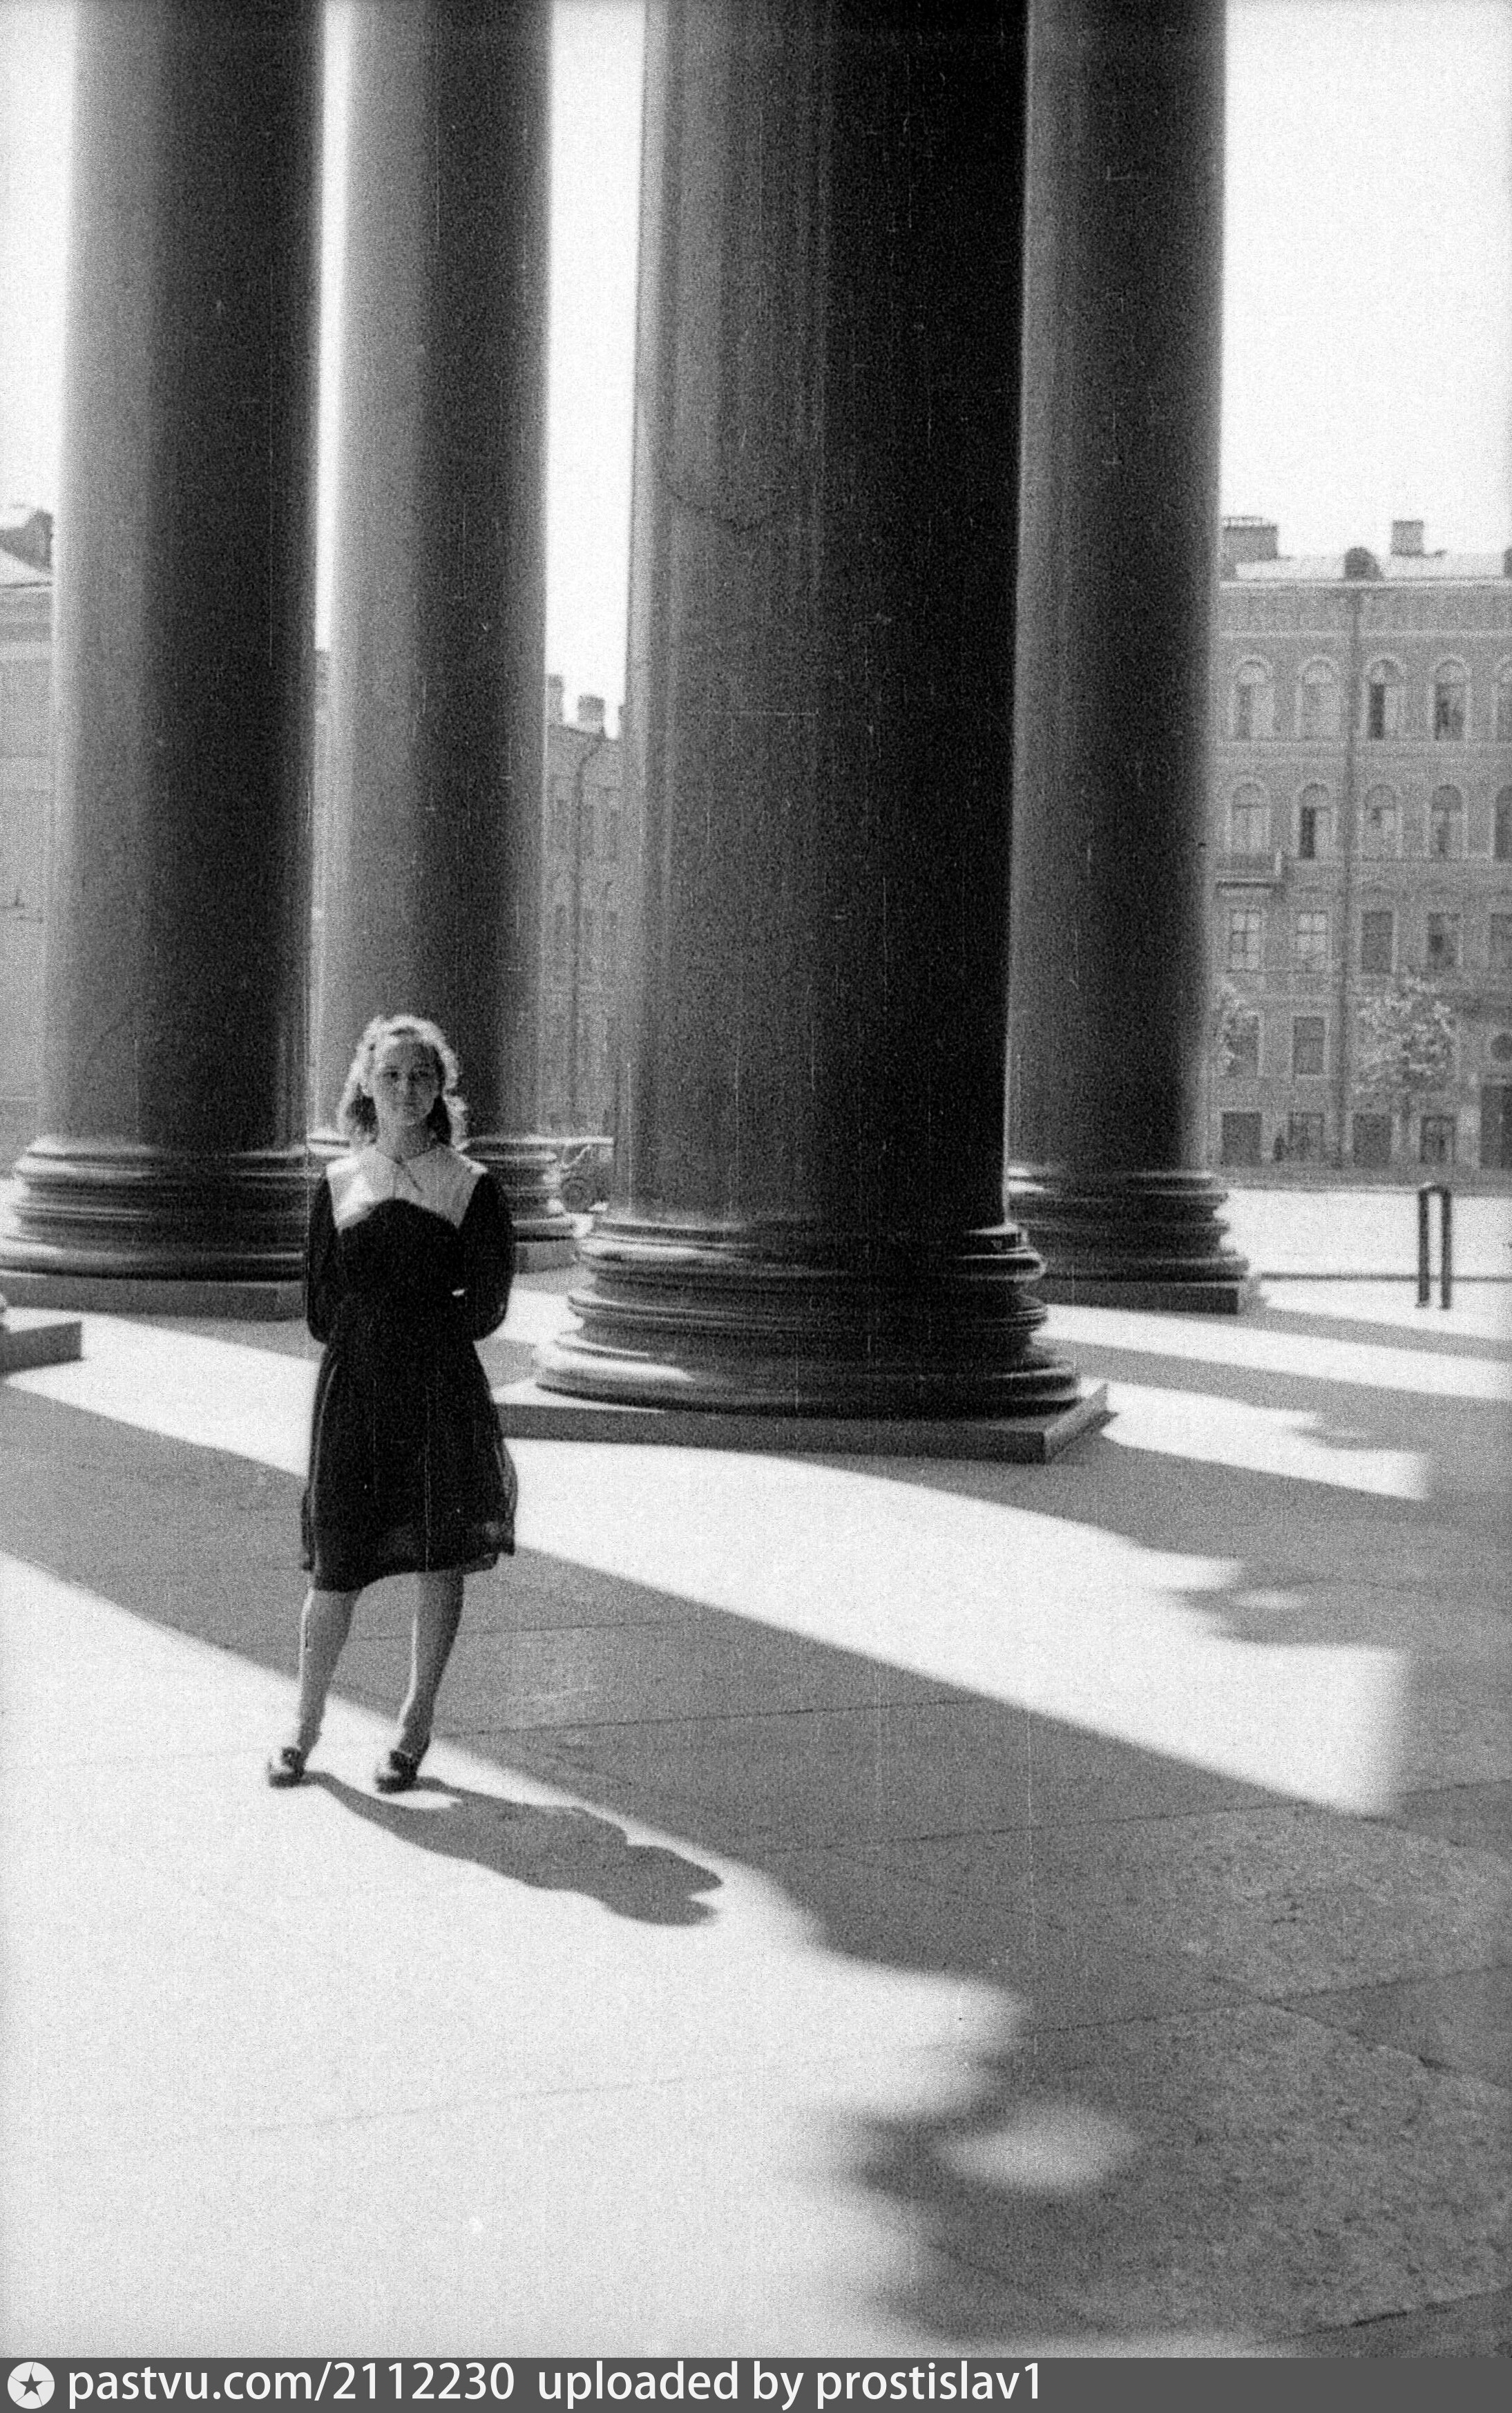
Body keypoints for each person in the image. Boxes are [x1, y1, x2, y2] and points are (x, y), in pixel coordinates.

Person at [267, 1013, 516, 1793]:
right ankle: (303, 1726)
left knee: (439, 1554)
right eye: (391, 1075)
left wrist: (417, 1331)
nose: (407, 1089)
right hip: (355, 1393)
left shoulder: (470, 1185)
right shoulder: (338, 1182)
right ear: (366, 1088)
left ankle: (413, 1726)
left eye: (421, 1075)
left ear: (440, 1087)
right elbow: (320, 1307)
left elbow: (488, 1305)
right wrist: (377, 1336)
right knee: (334, 1564)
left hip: (439, 1391)